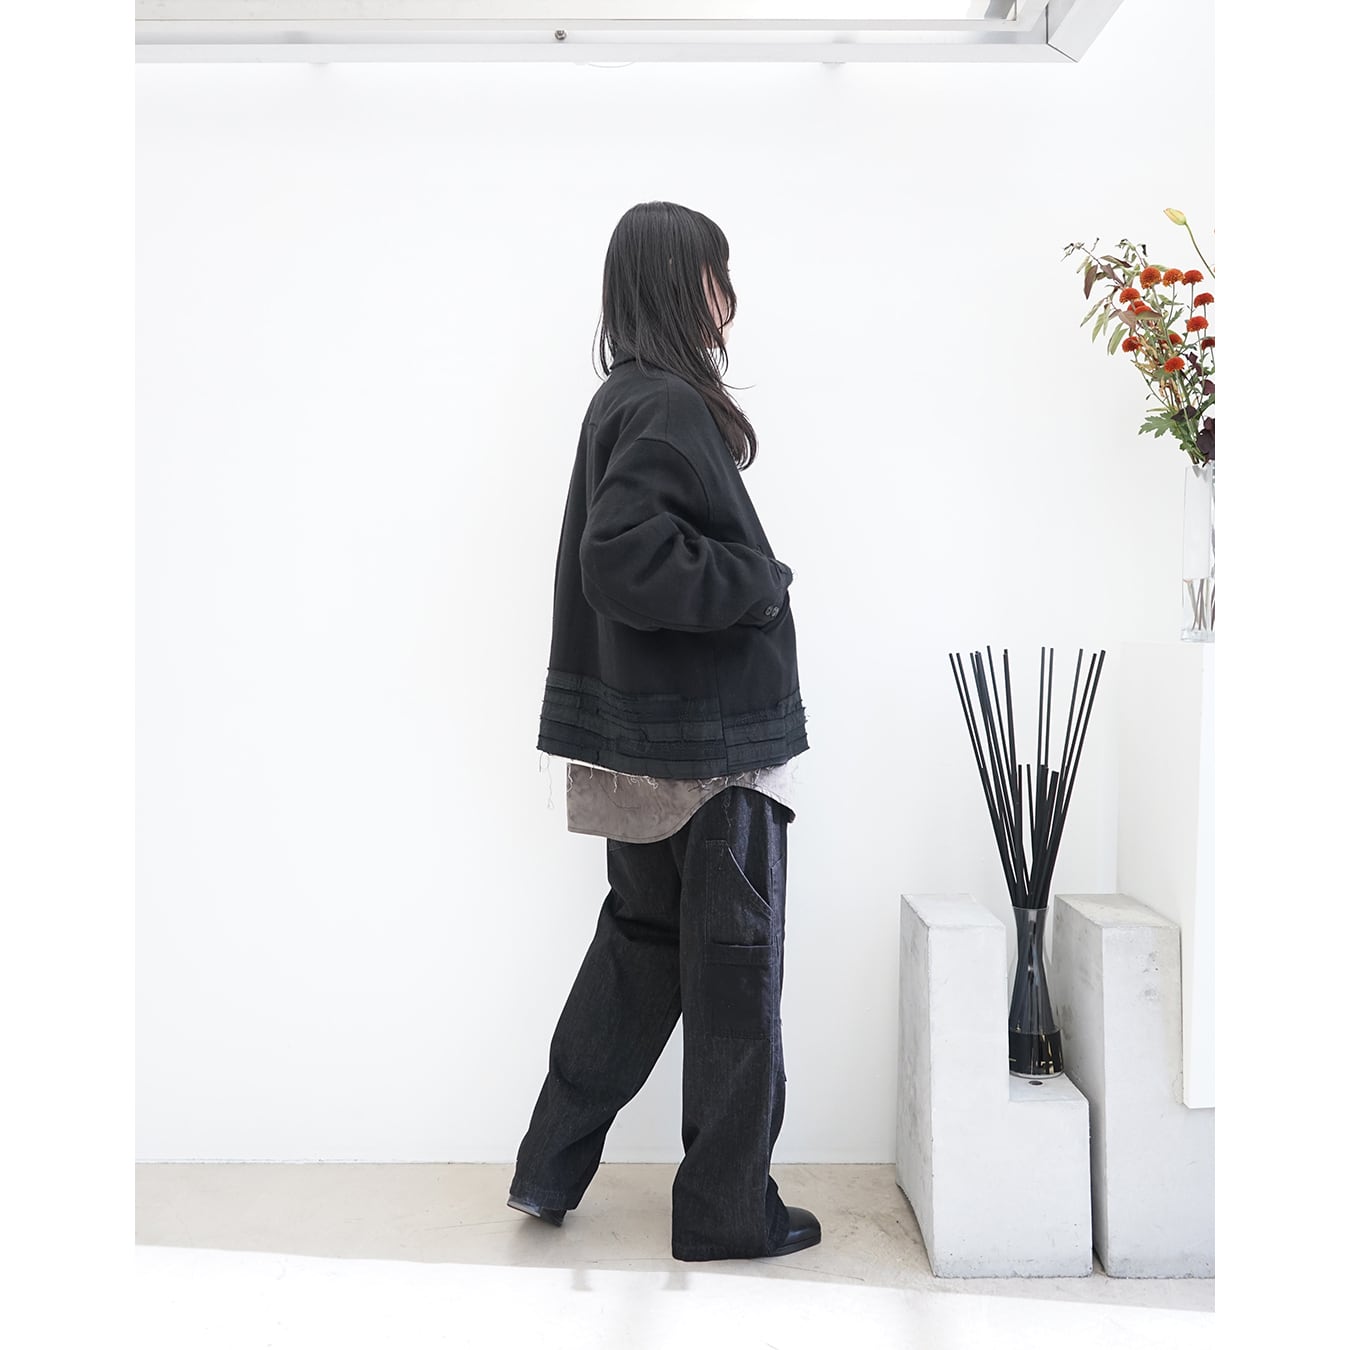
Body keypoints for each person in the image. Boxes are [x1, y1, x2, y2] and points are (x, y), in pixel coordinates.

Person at [507, 201, 820, 1262]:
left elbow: (615, 553)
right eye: (718, 273)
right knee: (736, 977)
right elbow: (621, 556)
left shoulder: (626, 398)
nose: (732, 296)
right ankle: (727, 1212)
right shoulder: (670, 406)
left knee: (638, 961)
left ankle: (548, 1170)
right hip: (710, 759)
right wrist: (758, 582)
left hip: (650, 755)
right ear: (686, 284)